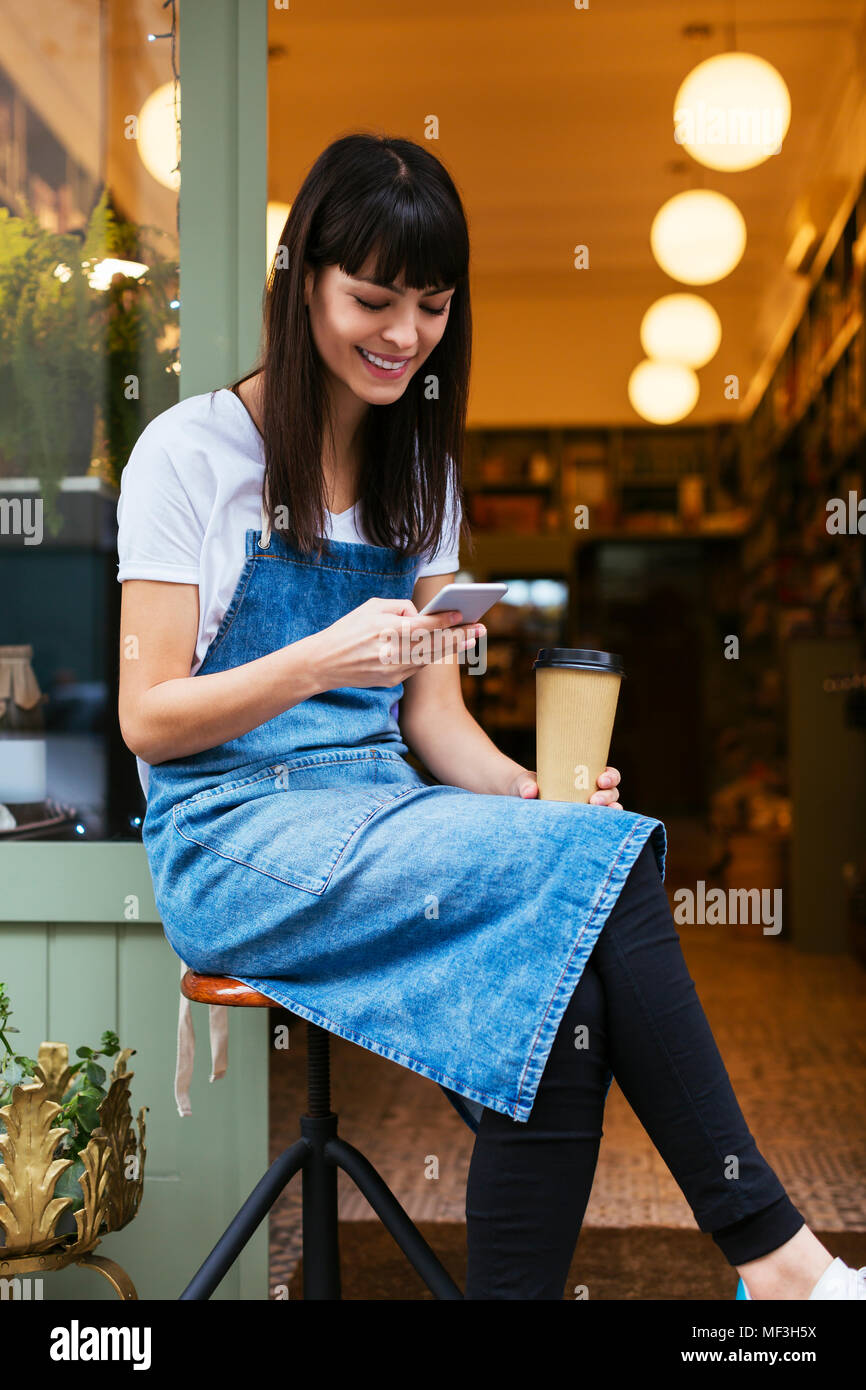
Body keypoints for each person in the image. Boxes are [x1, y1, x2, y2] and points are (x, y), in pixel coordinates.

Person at [116, 132, 864, 1301]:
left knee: (559, 993)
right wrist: (319, 658)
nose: (402, 335)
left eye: (430, 304)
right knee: (601, 879)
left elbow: (436, 725)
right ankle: (774, 1256)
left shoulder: (426, 477)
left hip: (380, 812)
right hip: (231, 839)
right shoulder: (189, 454)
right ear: (300, 278)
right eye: (371, 297)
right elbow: (149, 720)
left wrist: (527, 794)